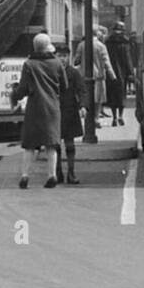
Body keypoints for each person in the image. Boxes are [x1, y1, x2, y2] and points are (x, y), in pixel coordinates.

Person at [13, 32, 69, 189]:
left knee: (29, 145)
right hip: (52, 107)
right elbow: (64, 86)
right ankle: (52, 175)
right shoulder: (57, 63)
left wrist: (15, 94)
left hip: (34, 107)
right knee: (51, 144)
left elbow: (23, 88)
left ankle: (25, 175)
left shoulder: (29, 64)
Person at [53, 42, 86, 184]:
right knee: (55, 144)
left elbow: (82, 90)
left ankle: (71, 173)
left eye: (65, 56)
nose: (63, 59)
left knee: (70, 144)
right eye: (60, 56)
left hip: (70, 111)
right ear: (55, 56)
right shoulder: (51, 72)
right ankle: (57, 172)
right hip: (54, 111)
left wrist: (83, 106)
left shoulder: (73, 72)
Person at [104, 21, 133, 127]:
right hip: (122, 73)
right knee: (121, 96)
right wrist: (130, 72)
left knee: (112, 96)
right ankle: (120, 116)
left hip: (110, 73)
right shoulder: (124, 43)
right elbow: (128, 59)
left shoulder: (108, 42)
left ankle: (114, 117)